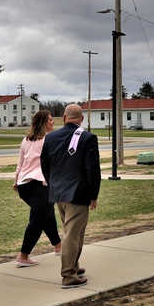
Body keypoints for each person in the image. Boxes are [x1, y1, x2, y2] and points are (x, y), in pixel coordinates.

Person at [41, 104, 100, 288]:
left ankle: (73, 265)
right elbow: (92, 169)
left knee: (72, 233)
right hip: (78, 192)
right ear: (81, 119)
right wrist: (93, 193)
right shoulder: (88, 138)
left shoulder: (50, 137)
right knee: (72, 235)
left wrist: (52, 183)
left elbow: (44, 163)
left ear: (64, 118)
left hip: (58, 192)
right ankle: (68, 276)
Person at [13, 109, 62, 266]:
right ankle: (23, 256)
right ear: (43, 123)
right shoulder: (50, 140)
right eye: (50, 120)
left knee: (46, 214)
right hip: (41, 185)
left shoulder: (26, 140)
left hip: (24, 186)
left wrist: (16, 181)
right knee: (37, 220)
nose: (53, 122)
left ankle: (58, 246)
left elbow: (21, 163)